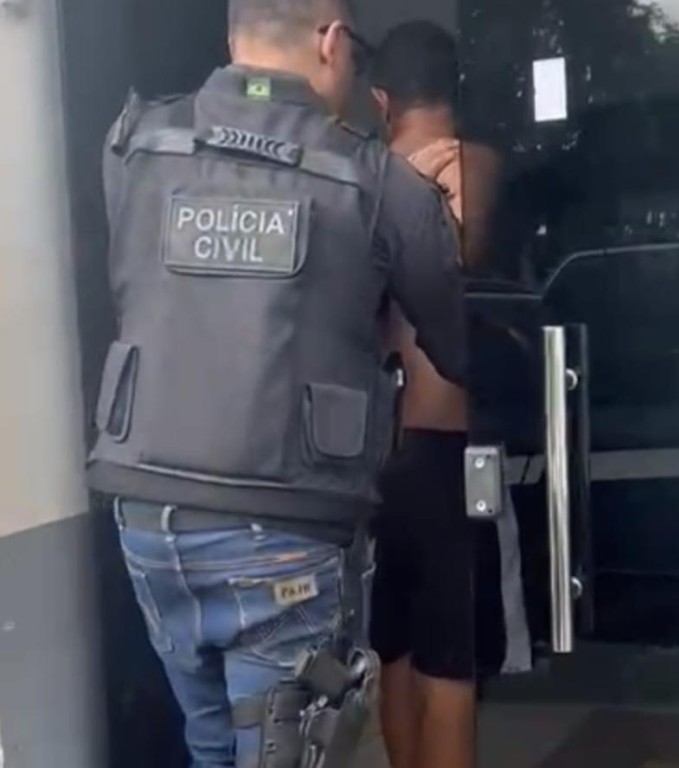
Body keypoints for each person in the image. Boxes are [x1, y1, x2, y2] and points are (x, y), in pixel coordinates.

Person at [89, 2, 467, 766]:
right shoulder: (378, 181)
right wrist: (429, 228)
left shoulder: (135, 142)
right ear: (330, 42)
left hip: (149, 523)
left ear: (235, 37)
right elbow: (457, 345)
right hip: (284, 530)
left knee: (213, 746)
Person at [367, 20, 509, 768]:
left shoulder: (360, 178)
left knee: (393, 650)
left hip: (378, 449)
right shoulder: (475, 167)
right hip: (452, 449)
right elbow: (461, 262)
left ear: (381, 99)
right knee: (448, 663)